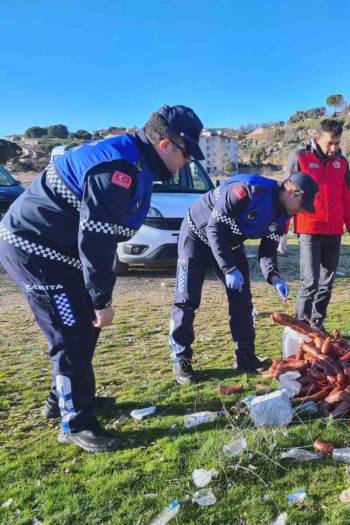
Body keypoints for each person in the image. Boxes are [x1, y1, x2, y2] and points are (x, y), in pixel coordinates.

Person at [0, 105, 204, 452]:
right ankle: (75, 422)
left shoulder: (136, 160)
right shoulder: (118, 169)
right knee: (71, 333)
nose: (187, 162)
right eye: (186, 154)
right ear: (166, 144)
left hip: (61, 251)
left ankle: (62, 399)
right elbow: (97, 240)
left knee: (85, 327)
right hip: (34, 251)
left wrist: (96, 302)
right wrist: (101, 300)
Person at [169, 172, 319, 384]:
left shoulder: (285, 215)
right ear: (292, 192)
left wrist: (273, 276)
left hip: (231, 244)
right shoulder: (248, 190)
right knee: (186, 299)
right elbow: (214, 228)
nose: (303, 211)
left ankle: (245, 355)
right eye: (303, 205)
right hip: (197, 235)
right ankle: (181, 358)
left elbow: (267, 250)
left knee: (242, 300)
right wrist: (229, 268)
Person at [278, 119, 350, 331]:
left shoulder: (342, 163)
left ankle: (317, 322)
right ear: (317, 138)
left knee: (326, 283)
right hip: (308, 230)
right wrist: (283, 230)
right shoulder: (300, 158)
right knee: (310, 281)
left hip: (334, 231)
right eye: (329, 143)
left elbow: (346, 199)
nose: (334, 148)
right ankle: (300, 324)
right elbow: (286, 196)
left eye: (337, 143)